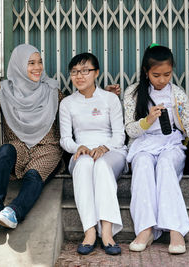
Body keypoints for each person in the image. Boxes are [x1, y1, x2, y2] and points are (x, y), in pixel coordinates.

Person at [124, 44, 189, 254]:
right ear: (146, 71)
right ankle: (146, 229)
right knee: (143, 165)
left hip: (171, 143)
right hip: (143, 143)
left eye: (167, 74)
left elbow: (188, 120)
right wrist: (148, 120)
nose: (162, 80)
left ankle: (175, 230)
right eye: (156, 75)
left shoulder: (176, 93)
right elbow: (130, 130)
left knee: (164, 165)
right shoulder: (133, 93)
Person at [0, 44, 64, 230]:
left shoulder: (51, 91)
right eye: (31, 63)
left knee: (34, 176)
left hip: (47, 148)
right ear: (18, 65)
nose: (37, 67)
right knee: (4, 151)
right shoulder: (3, 91)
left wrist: (101, 94)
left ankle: (13, 212)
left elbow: (73, 109)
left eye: (40, 62)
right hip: (18, 146)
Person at [59, 53, 127, 255]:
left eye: (85, 71)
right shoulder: (67, 103)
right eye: (74, 72)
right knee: (84, 165)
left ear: (96, 73)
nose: (79, 76)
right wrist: (77, 148)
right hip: (81, 152)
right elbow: (65, 139)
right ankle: (89, 231)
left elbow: (119, 136)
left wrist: (104, 148)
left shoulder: (109, 99)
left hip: (112, 151)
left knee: (102, 166)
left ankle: (106, 233)